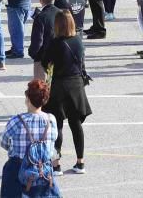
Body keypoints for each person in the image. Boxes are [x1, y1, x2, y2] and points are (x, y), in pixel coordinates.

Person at [42, 10, 92, 175]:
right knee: (76, 124)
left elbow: (45, 62)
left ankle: (56, 164)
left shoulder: (55, 43)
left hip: (59, 85)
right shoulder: (78, 40)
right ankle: (80, 162)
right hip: (76, 85)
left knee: (57, 126)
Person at [0, 79, 61, 198]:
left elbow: (4, 143)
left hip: (18, 168)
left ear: (27, 99)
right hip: (42, 169)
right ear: (45, 100)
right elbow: (53, 142)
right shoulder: (51, 120)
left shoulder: (16, 121)